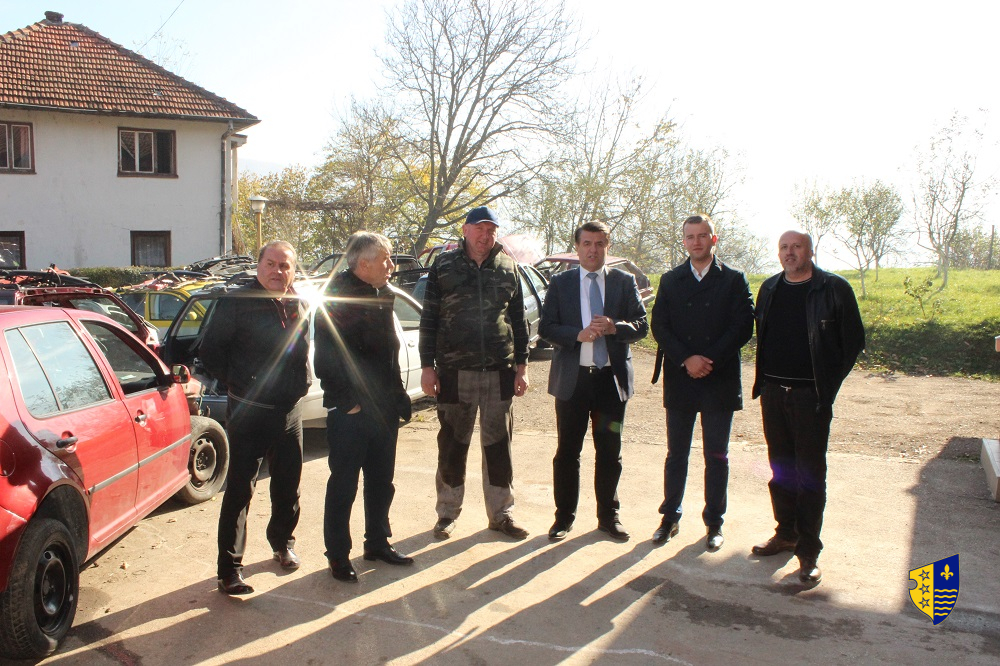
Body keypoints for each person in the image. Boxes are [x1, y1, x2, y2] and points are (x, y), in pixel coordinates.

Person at [750, 230, 865, 584]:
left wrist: (825, 386)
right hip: (773, 393)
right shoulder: (770, 288)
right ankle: (786, 533)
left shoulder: (833, 288)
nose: (789, 252)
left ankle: (809, 551)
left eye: (796, 246)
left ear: (810, 251)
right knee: (781, 469)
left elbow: (853, 341)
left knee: (810, 474)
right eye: (783, 247)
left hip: (809, 397)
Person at [200, 240, 311, 595]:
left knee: (288, 484)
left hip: (289, 410)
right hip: (249, 410)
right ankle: (229, 569)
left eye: (285, 265)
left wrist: (301, 383)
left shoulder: (299, 303)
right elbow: (209, 352)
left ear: (293, 270)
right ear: (259, 265)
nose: (278, 271)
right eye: (271, 264)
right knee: (240, 489)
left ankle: (282, 543)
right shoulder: (236, 302)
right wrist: (242, 384)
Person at [419, 205, 530, 540]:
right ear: (465, 230)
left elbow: (519, 321)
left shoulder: (508, 266)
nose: (485, 235)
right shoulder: (444, 265)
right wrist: (427, 367)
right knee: (452, 445)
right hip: (454, 371)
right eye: (479, 229)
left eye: (491, 230)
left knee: (498, 446)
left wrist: (522, 367)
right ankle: (447, 514)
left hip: (500, 371)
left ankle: (501, 514)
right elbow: (429, 318)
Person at [650, 215, 754, 550]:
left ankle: (714, 522)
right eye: (690, 236)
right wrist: (686, 359)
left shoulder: (734, 279)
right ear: (684, 241)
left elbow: (743, 325)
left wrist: (708, 360)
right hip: (681, 377)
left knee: (717, 456)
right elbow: (660, 326)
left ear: (714, 239)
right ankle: (669, 518)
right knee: (676, 454)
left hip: (718, 378)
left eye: (702, 236)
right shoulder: (671, 280)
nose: (696, 242)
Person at [314, 232, 414, 583]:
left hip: (383, 408)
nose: (392, 265)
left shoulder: (381, 293)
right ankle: (338, 555)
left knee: (381, 482)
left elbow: (388, 354)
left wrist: (398, 397)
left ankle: (377, 542)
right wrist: (348, 403)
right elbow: (326, 359)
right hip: (352, 412)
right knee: (344, 485)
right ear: (364, 263)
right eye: (386, 259)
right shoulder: (337, 296)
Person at [539, 221, 648, 541]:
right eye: (587, 243)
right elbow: (546, 327)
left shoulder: (623, 282)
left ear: (607, 247)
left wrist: (615, 327)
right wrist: (577, 335)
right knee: (567, 452)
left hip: (610, 383)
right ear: (577, 247)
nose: (593, 250)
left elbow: (641, 325)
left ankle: (608, 516)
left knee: (610, 452)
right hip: (573, 382)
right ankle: (564, 517)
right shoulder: (561, 283)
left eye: (600, 243)